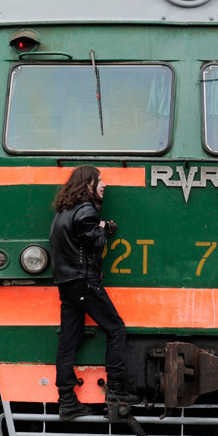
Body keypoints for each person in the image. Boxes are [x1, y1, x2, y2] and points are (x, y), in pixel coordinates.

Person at [49, 165, 140, 421]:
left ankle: (67, 400)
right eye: (99, 180)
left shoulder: (62, 211)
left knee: (69, 339)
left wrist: (99, 226)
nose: (104, 185)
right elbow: (96, 243)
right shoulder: (87, 209)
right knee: (116, 328)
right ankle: (116, 390)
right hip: (84, 280)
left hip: (67, 283)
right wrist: (103, 226)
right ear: (88, 183)